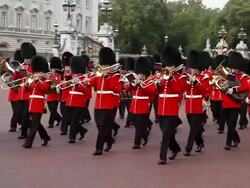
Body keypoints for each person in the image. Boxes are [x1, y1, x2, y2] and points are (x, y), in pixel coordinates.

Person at [87, 47, 122, 155]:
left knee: (103, 127)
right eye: (104, 65)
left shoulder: (115, 75)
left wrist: (107, 76)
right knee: (99, 125)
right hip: (99, 104)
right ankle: (110, 140)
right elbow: (91, 83)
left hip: (110, 104)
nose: (104, 67)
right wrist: (85, 82)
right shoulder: (99, 75)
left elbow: (117, 88)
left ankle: (99, 148)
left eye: (106, 65)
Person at [155, 45, 186, 165]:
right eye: (167, 64)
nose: (168, 67)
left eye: (170, 65)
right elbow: (156, 91)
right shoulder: (162, 75)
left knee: (166, 133)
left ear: (174, 64)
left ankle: (162, 157)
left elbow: (179, 89)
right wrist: (158, 83)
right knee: (165, 132)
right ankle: (175, 148)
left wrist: (171, 79)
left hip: (172, 108)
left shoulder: (180, 77)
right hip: (161, 108)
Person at [184, 50, 211, 156]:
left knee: (193, 129)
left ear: (198, 68)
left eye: (194, 68)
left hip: (198, 105)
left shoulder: (203, 78)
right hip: (188, 105)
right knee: (195, 128)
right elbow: (183, 89)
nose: (192, 69)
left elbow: (205, 90)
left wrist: (195, 82)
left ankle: (188, 148)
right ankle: (200, 142)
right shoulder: (187, 77)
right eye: (191, 68)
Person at [125, 57, 156, 149]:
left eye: (142, 74)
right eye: (139, 73)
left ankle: (137, 143)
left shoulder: (149, 81)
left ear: (145, 74)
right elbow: (127, 89)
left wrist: (141, 84)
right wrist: (132, 84)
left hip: (143, 105)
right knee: (134, 122)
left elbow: (152, 91)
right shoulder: (135, 80)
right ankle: (145, 134)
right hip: (134, 105)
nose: (140, 75)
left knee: (139, 125)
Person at [23, 56, 52, 148]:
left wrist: (38, 81)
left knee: (34, 124)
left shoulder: (46, 80)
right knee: (35, 123)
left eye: (39, 72)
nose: (37, 73)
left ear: (43, 72)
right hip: (31, 102)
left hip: (39, 103)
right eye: (36, 72)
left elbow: (45, 89)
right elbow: (27, 90)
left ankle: (28, 143)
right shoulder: (32, 79)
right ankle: (46, 137)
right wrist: (26, 85)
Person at [224, 52, 249, 150]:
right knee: (228, 123)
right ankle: (236, 139)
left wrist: (235, 89)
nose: (233, 69)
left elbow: (248, 86)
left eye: (235, 67)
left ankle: (228, 143)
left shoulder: (242, 77)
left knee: (231, 124)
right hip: (225, 102)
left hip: (235, 103)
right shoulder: (226, 76)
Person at [65, 56, 88, 143]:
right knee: (68, 119)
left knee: (74, 120)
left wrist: (78, 84)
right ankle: (82, 130)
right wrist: (69, 82)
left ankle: (72, 137)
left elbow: (86, 90)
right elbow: (65, 86)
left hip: (79, 101)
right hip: (70, 100)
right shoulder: (71, 76)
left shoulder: (85, 78)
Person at [16, 42, 36, 139]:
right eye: (25, 58)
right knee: (21, 114)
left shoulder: (34, 67)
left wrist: (27, 75)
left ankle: (24, 133)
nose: (26, 60)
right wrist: (16, 70)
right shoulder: (23, 66)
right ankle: (29, 129)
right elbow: (16, 78)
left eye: (27, 58)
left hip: (28, 94)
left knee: (25, 116)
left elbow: (33, 79)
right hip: (21, 94)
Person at [59, 52, 73, 135]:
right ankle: (80, 129)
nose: (66, 67)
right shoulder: (63, 72)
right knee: (63, 111)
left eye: (67, 66)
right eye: (65, 65)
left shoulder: (73, 73)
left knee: (66, 114)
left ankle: (64, 129)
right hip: (63, 95)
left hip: (70, 96)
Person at [47, 57, 62, 128]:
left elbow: (59, 83)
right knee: (52, 110)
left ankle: (51, 123)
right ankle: (59, 119)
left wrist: (55, 83)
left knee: (53, 110)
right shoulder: (49, 75)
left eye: (54, 69)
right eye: (52, 68)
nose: (53, 70)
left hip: (56, 96)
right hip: (49, 95)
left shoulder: (59, 76)